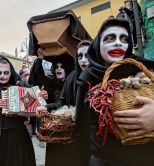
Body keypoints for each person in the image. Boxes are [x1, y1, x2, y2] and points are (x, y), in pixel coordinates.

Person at [76, 18, 154, 166]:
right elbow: (81, 132)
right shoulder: (87, 79)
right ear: (98, 44)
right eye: (110, 38)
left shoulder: (145, 71)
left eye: (124, 39)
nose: (118, 43)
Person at [36, 40, 91, 166]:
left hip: (98, 138)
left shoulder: (102, 76)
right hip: (76, 137)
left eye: (87, 55)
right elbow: (62, 103)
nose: (83, 60)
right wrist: (46, 107)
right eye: (80, 56)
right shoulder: (72, 78)